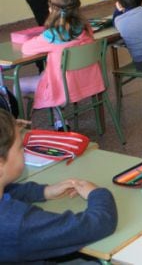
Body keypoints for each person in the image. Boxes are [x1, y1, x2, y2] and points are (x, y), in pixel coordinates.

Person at [0, 110, 117, 262]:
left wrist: (44, 192)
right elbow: (99, 223)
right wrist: (98, 193)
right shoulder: (19, 224)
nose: (24, 151)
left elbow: (9, 193)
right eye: (20, 147)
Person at [20, 0, 104, 131]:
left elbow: (26, 49)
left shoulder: (52, 35)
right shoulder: (86, 29)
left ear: (51, 9)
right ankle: (60, 121)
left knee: (19, 84)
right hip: (87, 82)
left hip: (62, 87)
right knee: (51, 76)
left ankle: (20, 126)